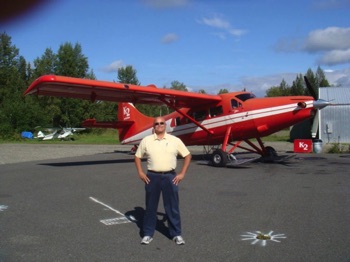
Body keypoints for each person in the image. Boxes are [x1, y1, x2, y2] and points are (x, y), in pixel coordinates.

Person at [134, 116, 191, 245]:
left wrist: (182, 173)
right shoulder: (146, 140)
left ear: (165, 125)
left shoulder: (175, 140)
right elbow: (137, 156)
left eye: (162, 123)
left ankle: (176, 234)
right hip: (152, 177)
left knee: (172, 207)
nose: (159, 125)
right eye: (156, 123)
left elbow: (187, 155)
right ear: (153, 126)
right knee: (150, 207)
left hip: (170, 177)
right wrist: (140, 172)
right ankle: (148, 234)